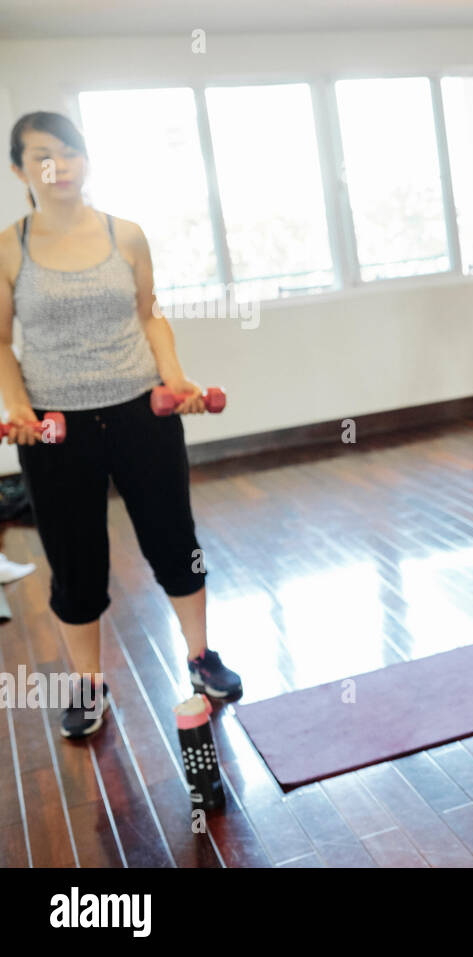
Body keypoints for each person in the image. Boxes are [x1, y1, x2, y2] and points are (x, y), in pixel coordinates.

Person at [2, 111, 242, 739]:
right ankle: (87, 683)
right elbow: (1, 342)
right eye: (42, 156)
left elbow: (151, 314)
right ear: (19, 169)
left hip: (141, 410)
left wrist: (176, 377)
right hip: (58, 425)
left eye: (70, 152)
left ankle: (199, 656)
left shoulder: (125, 235)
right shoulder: (9, 246)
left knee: (173, 536)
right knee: (75, 558)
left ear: (86, 161)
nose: (59, 166)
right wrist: (19, 408)